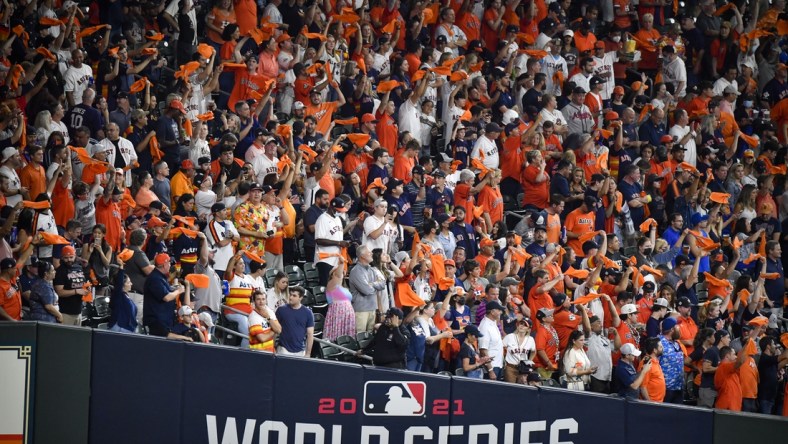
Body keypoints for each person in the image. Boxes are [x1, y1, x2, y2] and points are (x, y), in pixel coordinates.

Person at [142, 253, 191, 341]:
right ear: (164, 265)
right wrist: (178, 291)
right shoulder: (155, 278)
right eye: (169, 263)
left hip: (163, 322)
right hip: (157, 323)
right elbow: (166, 297)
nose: (170, 265)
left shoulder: (160, 277)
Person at [349, 245, 387, 333]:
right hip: (361, 310)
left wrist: (371, 284)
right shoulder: (356, 271)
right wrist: (374, 286)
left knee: (370, 338)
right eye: (369, 252)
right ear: (362, 256)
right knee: (360, 337)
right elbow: (366, 290)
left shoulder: (372, 269)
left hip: (372, 308)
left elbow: (383, 284)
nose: (371, 253)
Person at [274, 285, 315, 357]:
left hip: (300, 351)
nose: (290, 297)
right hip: (283, 349)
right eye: (290, 294)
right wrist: (272, 346)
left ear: (301, 298)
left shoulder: (308, 313)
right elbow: (274, 330)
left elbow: (310, 334)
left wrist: (308, 353)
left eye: (294, 296)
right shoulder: (281, 310)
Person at [324, 257, 355, 341]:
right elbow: (338, 276)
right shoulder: (331, 285)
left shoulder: (344, 287)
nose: (341, 272)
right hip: (338, 314)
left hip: (347, 315)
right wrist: (341, 264)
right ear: (332, 275)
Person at [502, 318, 536, 384]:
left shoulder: (530, 339)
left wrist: (529, 361)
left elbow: (533, 351)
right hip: (510, 368)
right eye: (521, 324)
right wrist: (503, 360)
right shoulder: (510, 337)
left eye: (525, 325)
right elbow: (501, 348)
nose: (522, 326)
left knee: (522, 389)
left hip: (523, 370)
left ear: (528, 329)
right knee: (511, 389)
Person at [108, 259, 138, 333]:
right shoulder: (118, 295)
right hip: (119, 328)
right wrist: (121, 267)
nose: (131, 284)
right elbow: (119, 283)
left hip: (127, 329)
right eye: (128, 282)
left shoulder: (125, 296)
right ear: (122, 285)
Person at [477, 300, 505, 380]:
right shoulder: (485, 326)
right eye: (499, 310)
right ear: (492, 312)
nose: (501, 312)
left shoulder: (493, 323)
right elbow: (483, 350)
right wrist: (490, 370)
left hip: (497, 364)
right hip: (491, 367)